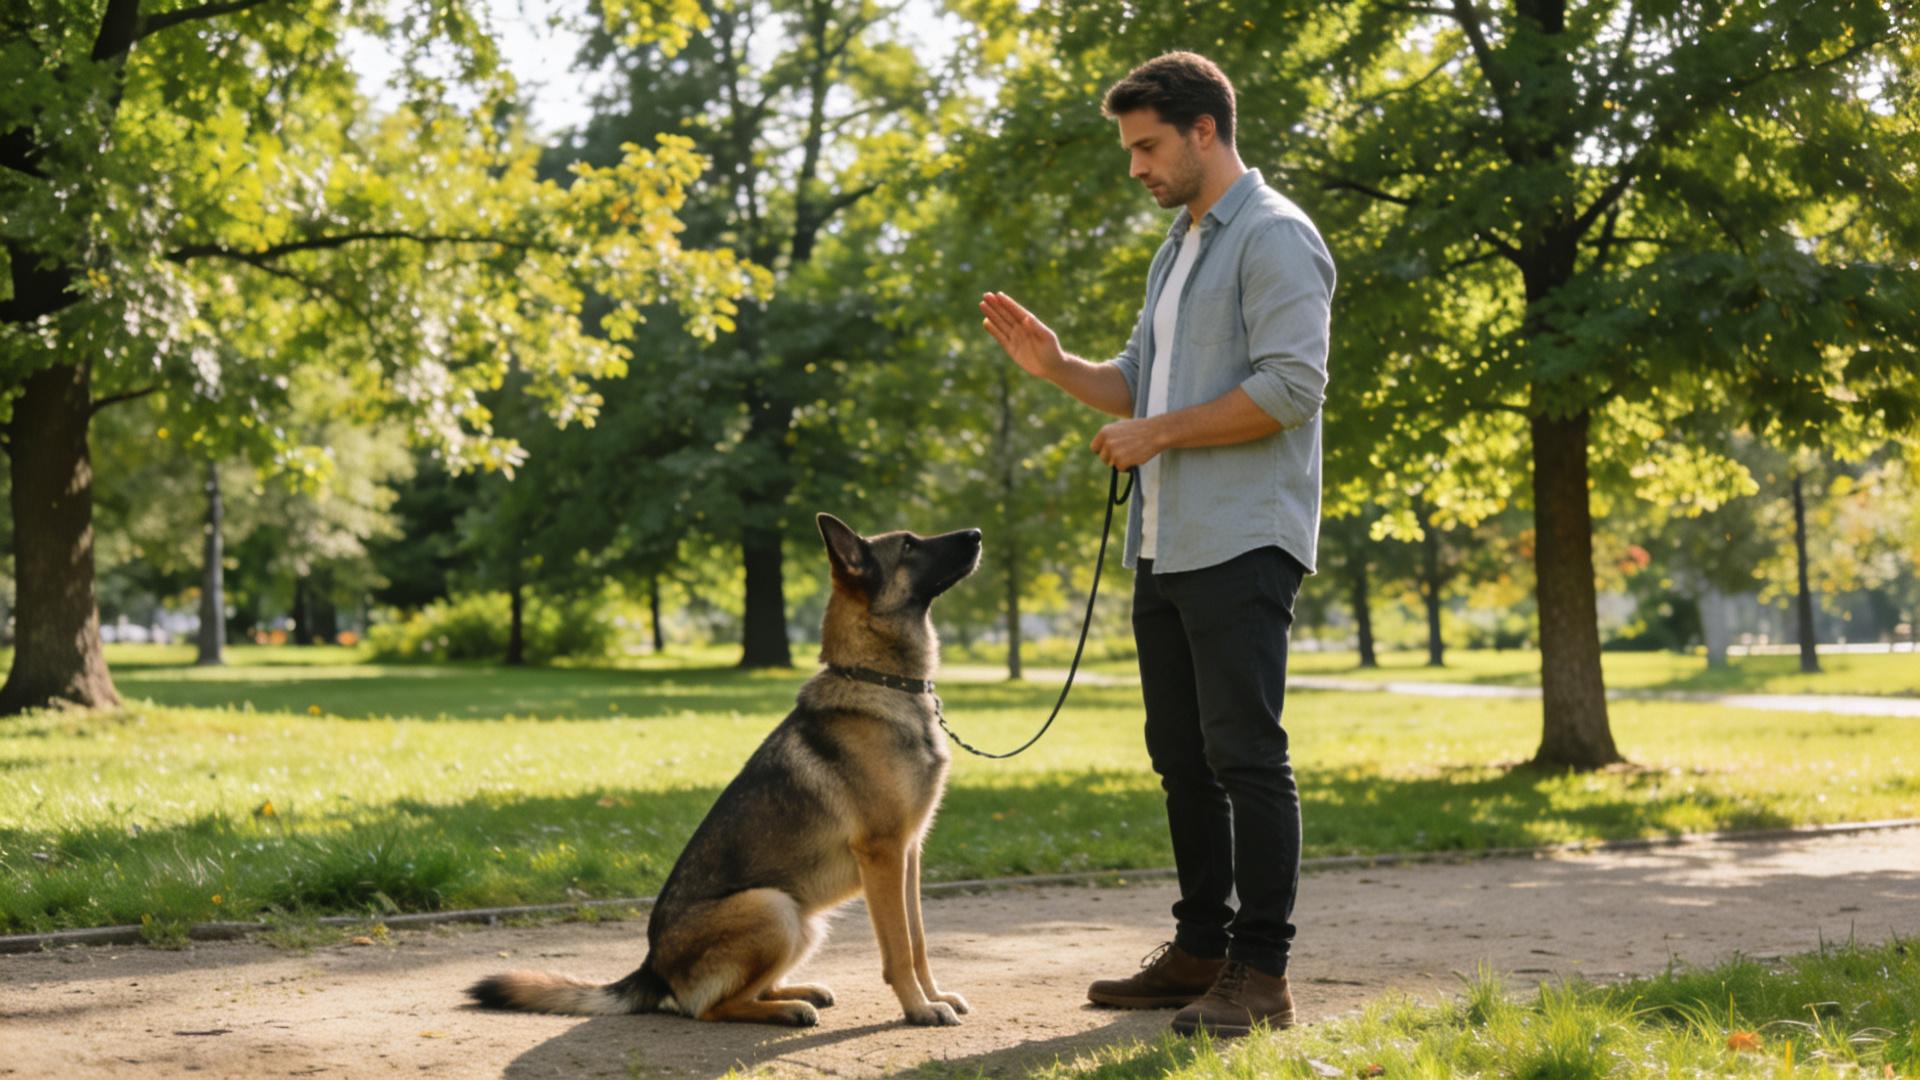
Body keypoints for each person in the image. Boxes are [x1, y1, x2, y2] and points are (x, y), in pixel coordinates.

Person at [978, 50, 1335, 1038]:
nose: (1136, 166)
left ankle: (1261, 975)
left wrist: (1161, 432)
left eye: (1147, 146)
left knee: (1247, 757)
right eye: (1130, 149)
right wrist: (1059, 369)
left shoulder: (1274, 236)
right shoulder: (1178, 248)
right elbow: (1140, 381)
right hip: (1167, 541)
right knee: (1182, 758)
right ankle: (1200, 948)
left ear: (1205, 130)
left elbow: (1292, 386)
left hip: (1243, 539)